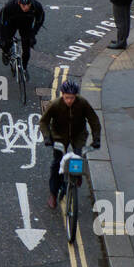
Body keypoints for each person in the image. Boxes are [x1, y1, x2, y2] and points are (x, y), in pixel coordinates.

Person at [38, 80, 101, 210]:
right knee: (57, 163)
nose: (69, 101)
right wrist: (47, 137)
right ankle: (53, 194)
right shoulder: (54, 105)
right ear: (62, 95)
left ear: (76, 96)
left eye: (72, 98)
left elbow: (94, 120)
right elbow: (43, 122)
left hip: (78, 134)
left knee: (78, 157)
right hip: (59, 135)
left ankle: (76, 176)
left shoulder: (82, 103)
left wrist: (96, 139)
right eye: (67, 97)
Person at [0, 0, 44, 71]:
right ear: (19, 2)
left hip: (26, 24)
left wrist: (33, 34)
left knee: (26, 49)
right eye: (23, 5)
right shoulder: (10, 6)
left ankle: (24, 68)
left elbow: (39, 20)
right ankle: (6, 52)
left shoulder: (37, 6)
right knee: (5, 43)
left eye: (28, 4)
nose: (26, 7)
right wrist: (2, 37)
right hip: (12, 23)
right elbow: (2, 22)